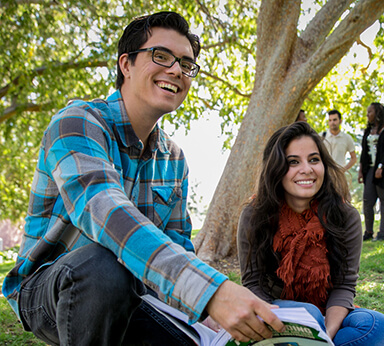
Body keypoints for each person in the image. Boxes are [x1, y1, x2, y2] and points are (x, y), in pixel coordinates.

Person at [2, 12, 284, 345]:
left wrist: (209, 317)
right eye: (161, 56)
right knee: (102, 264)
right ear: (126, 64)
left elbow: (178, 245)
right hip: (51, 287)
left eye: (186, 64)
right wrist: (210, 292)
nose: (176, 70)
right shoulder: (77, 122)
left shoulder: (174, 158)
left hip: (136, 290)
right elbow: (103, 208)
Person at [237, 121, 384, 346]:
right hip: (276, 314)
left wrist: (325, 336)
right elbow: (253, 284)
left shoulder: (345, 217)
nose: (307, 169)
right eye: (293, 162)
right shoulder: (254, 215)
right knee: (308, 314)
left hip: (329, 314)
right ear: (275, 168)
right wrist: (293, 324)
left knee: (381, 329)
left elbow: (344, 286)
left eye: (314, 159)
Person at [358, 102, 384, 241]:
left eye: (370, 112)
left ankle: (382, 233)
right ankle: (368, 232)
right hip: (369, 170)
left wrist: (381, 166)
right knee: (368, 201)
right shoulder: (367, 132)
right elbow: (364, 152)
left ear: (378, 113)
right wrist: (361, 170)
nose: (367, 115)